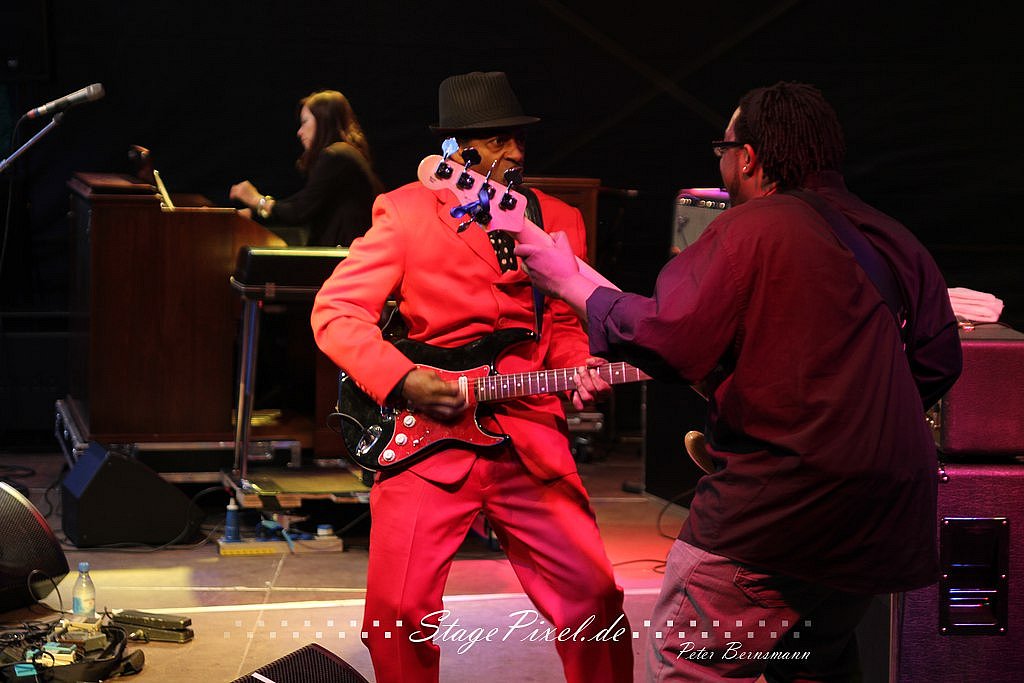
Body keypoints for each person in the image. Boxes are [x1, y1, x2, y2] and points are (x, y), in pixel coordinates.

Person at [515, 81, 963, 681]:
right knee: (813, 664)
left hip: (781, 510)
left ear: (747, 157)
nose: (721, 164)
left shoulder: (749, 228)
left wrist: (568, 284)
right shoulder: (895, 238)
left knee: (688, 661)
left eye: (722, 149)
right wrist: (859, 421)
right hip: (886, 516)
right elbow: (938, 362)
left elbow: (669, 337)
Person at [310, 71, 633, 682]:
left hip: (528, 432)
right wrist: (402, 379)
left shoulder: (557, 217)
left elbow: (563, 320)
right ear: (457, 149)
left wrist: (577, 364)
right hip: (428, 435)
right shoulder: (405, 210)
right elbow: (336, 311)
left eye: (518, 138)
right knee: (396, 612)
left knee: (594, 600)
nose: (516, 153)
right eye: (497, 140)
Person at [230, 89, 383, 246]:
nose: (299, 132)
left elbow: (299, 210)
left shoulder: (336, 155)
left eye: (304, 122)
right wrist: (254, 214)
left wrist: (256, 201)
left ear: (323, 120)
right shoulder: (344, 155)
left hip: (345, 255)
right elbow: (298, 202)